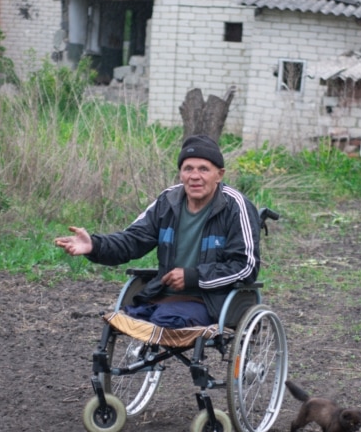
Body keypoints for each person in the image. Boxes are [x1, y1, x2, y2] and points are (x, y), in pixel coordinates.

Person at [54, 135, 261, 328]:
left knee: (162, 322)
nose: (194, 176)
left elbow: (245, 267)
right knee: (123, 320)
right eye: (188, 168)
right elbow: (132, 240)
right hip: (163, 296)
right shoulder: (168, 201)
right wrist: (94, 245)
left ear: (219, 174)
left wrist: (193, 277)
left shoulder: (235, 206)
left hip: (210, 302)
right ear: (180, 173)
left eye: (203, 169)